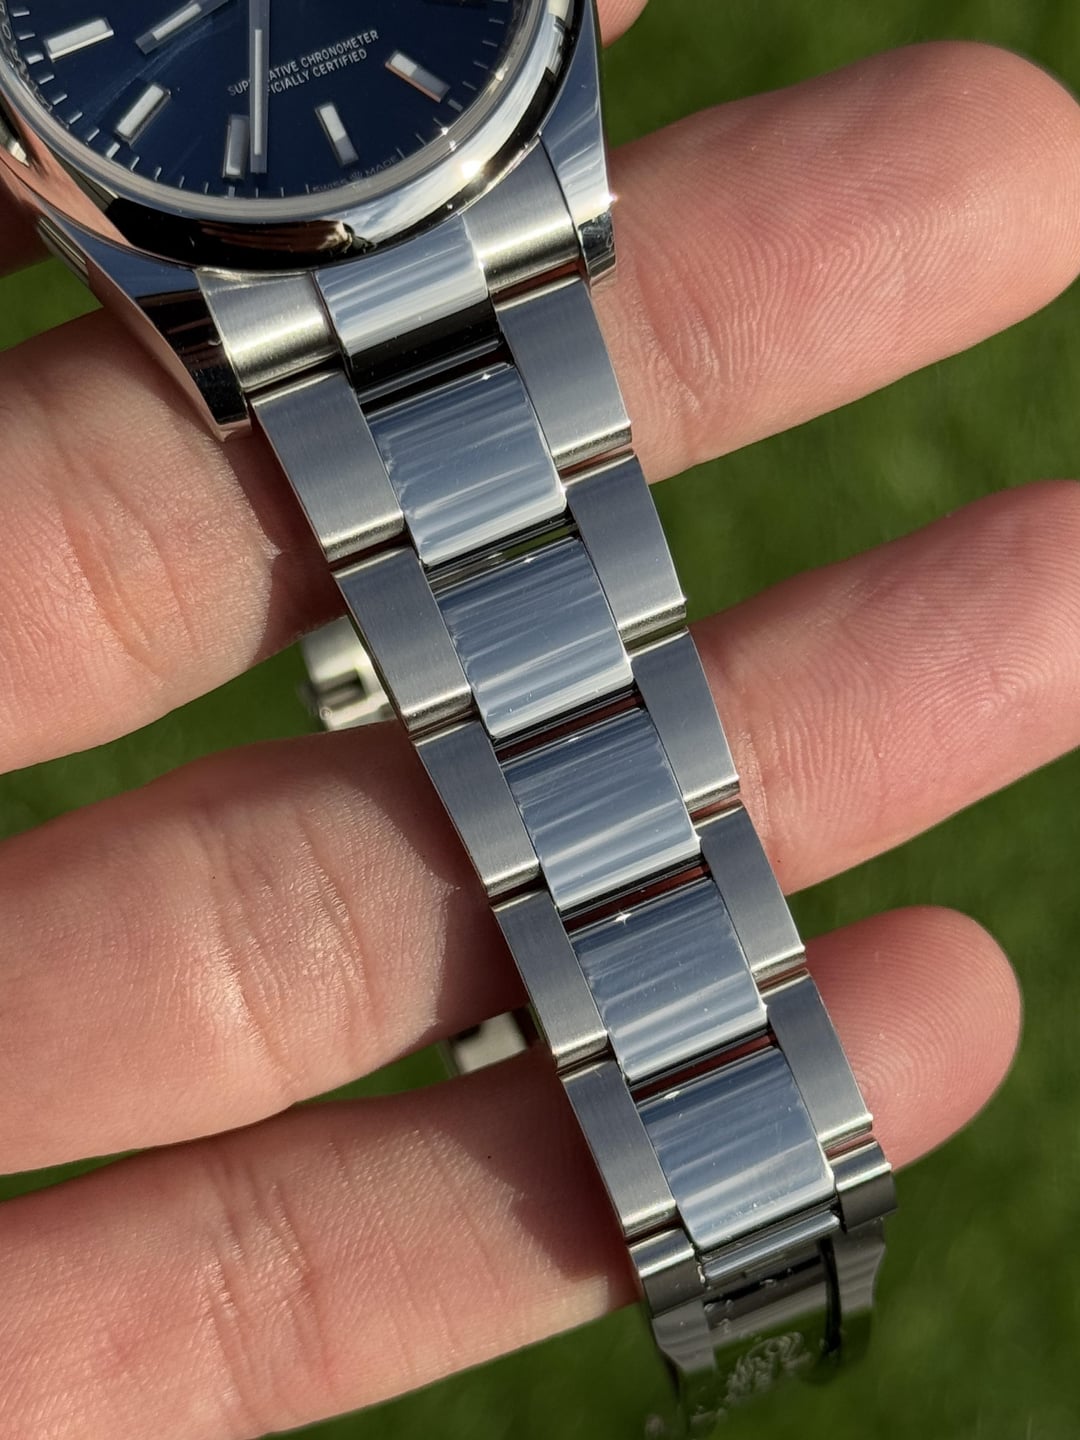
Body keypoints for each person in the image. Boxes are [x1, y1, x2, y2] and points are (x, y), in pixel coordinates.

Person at [0, 20, 1077, 1439]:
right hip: (298, 256)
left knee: (580, 671)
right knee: (541, 661)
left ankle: (761, 1269)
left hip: (455, 188)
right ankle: (756, 1282)